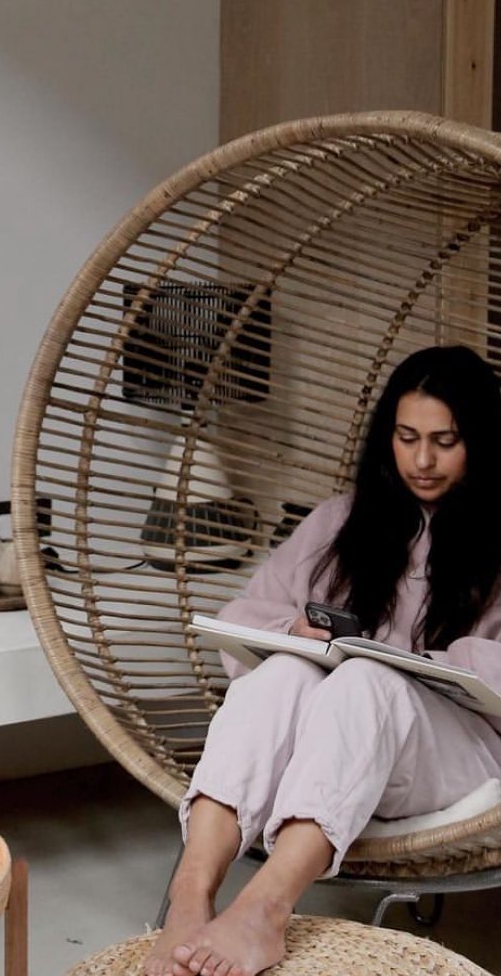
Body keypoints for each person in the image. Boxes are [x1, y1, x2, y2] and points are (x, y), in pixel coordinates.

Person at [144, 345, 501, 976]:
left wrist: (425, 663)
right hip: (334, 756)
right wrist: (297, 631)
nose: (422, 461)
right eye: (407, 438)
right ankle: (190, 896)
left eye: (445, 442)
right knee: (283, 672)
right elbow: (244, 619)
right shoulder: (341, 521)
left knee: (369, 679)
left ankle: (264, 911)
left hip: (457, 755)